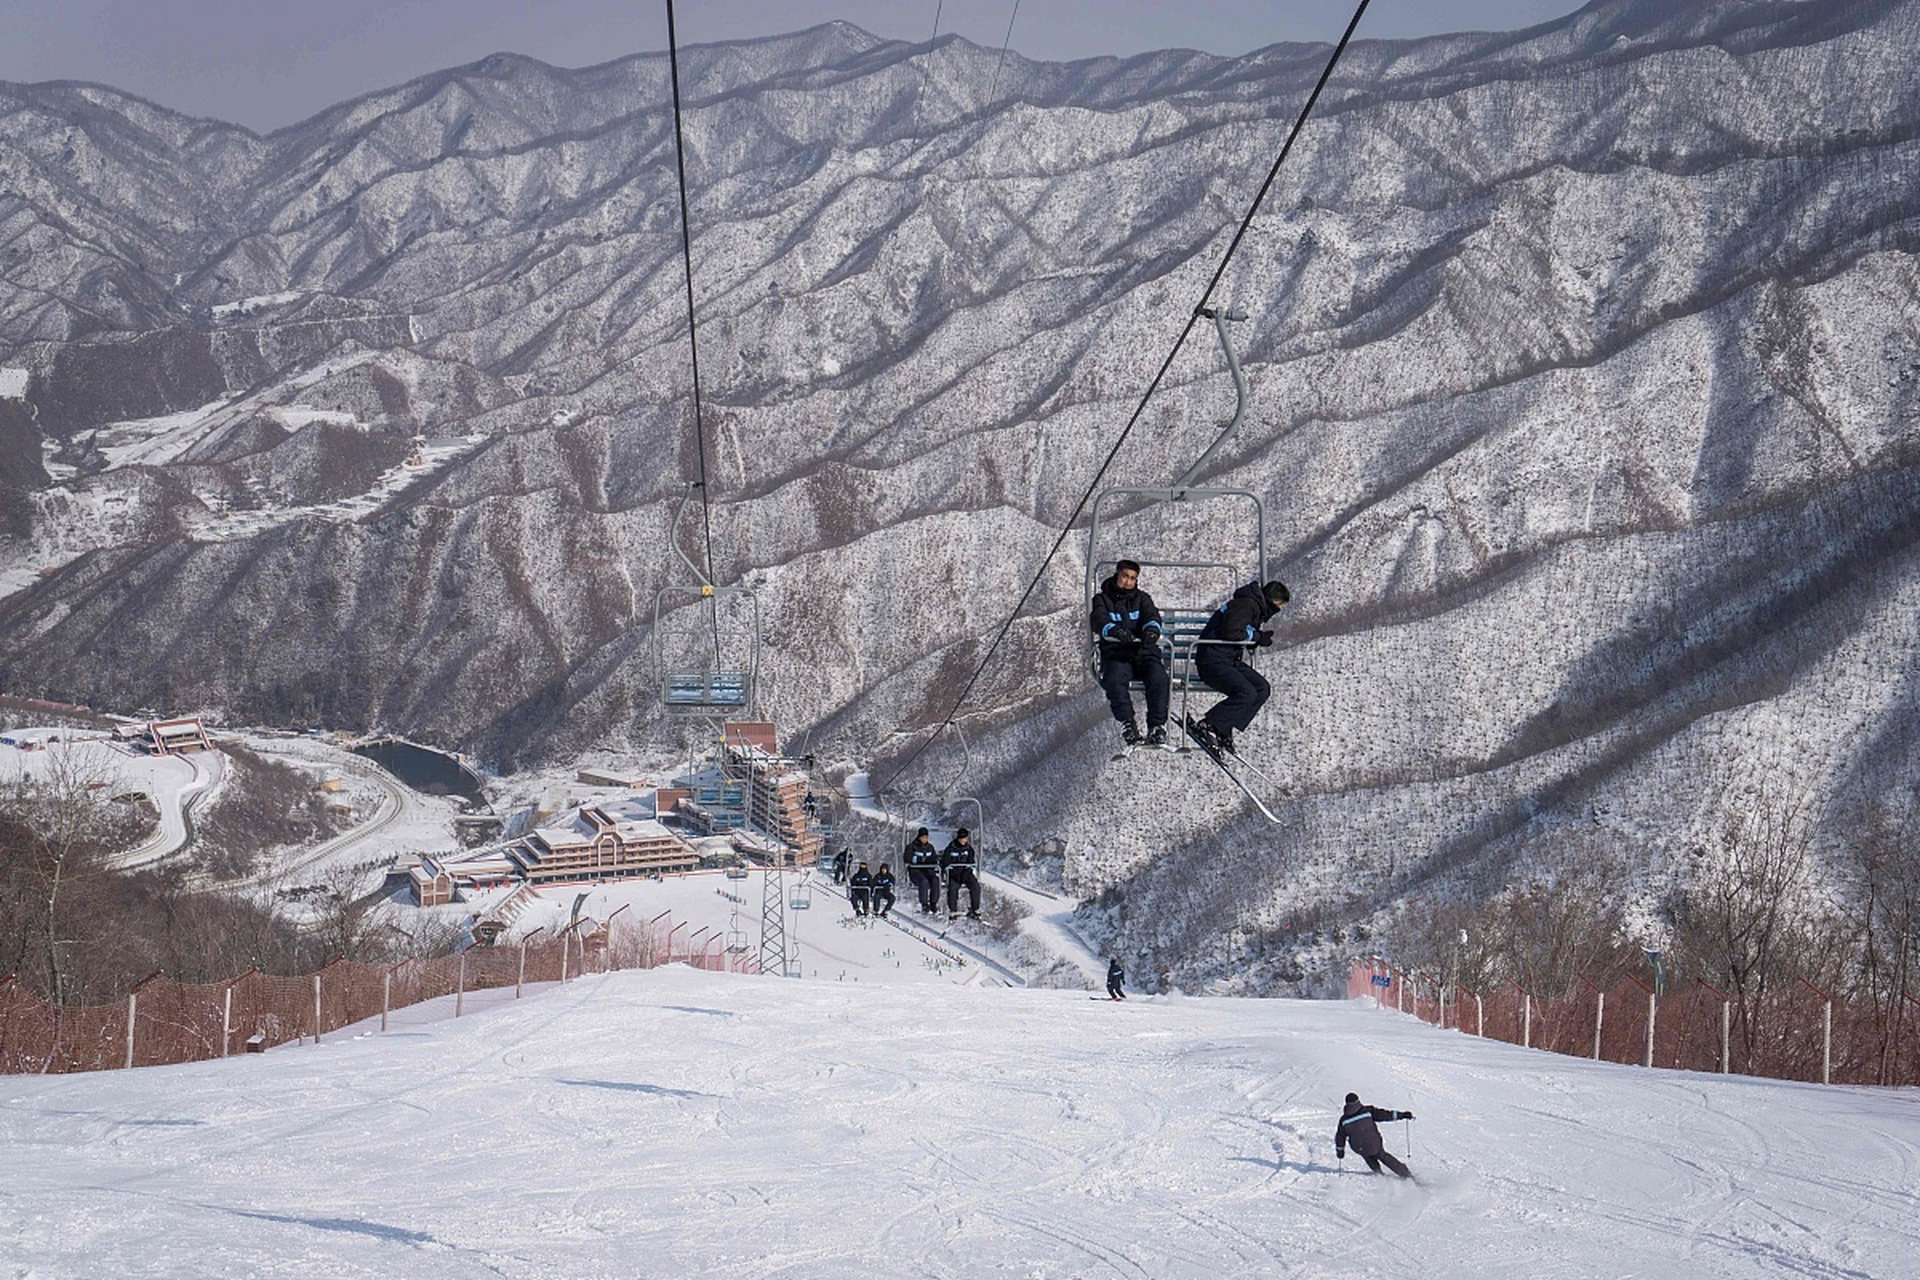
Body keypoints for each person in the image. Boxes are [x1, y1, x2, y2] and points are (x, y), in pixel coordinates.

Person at [1187, 579, 1290, 755]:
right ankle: (1209, 724)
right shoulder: (1247, 605)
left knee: (1262, 688)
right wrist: (1256, 637)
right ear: (1271, 600)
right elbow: (1232, 632)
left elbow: (1239, 631)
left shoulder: (1253, 606)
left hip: (1228, 659)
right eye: (1279, 606)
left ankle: (1223, 726)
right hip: (1212, 661)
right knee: (1247, 693)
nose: (1278, 610)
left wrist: (1256, 638)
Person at [1090, 559, 1172, 749]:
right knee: (1114, 679)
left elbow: (1152, 616)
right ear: (1117, 575)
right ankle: (1128, 724)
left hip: (1143, 652)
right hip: (1117, 653)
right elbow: (1099, 620)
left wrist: (1151, 631)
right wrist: (1115, 632)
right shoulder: (1102, 599)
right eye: (1125, 576)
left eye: (1132, 578)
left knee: (1159, 678)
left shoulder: (1142, 599)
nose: (1128, 582)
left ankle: (1156, 726)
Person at [1334, 1092, 1415, 1179]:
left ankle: (1379, 1174)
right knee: (1382, 1155)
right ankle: (1405, 1174)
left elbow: (1340, 1137)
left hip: (1359, 1147)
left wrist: (1340, 1151)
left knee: (1367, 1155)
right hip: (1374, 1143)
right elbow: (1385, 1115)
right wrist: (1402, 1115)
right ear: (1358, 1101)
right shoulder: (1367, 1111)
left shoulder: (1343, 1120)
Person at [940, 827, 982, 920]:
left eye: (966, 839)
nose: (964, 841)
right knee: (953, 888)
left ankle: (975, 909)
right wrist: (953, 873)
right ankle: (953, 910)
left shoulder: (969, 849)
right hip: (954, 874)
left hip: (965, 873)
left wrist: (966, 873)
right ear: (959, 838)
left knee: (975, 886)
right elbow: (945, 863)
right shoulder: (950, 848)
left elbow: (971, 862)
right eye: (963, 839)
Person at [903, 827, 940, 914]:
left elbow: (934, 859)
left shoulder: (930, 847)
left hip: (927, 871)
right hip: (915, 871)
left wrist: (931, 862)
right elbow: (907, 859)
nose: (924, 839)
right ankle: (924, 904)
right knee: (924, 882)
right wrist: (918, 859)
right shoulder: (911, 847)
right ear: (919, 837)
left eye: (926, 837)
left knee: (935, 880)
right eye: (922, 837)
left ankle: (933, 903)